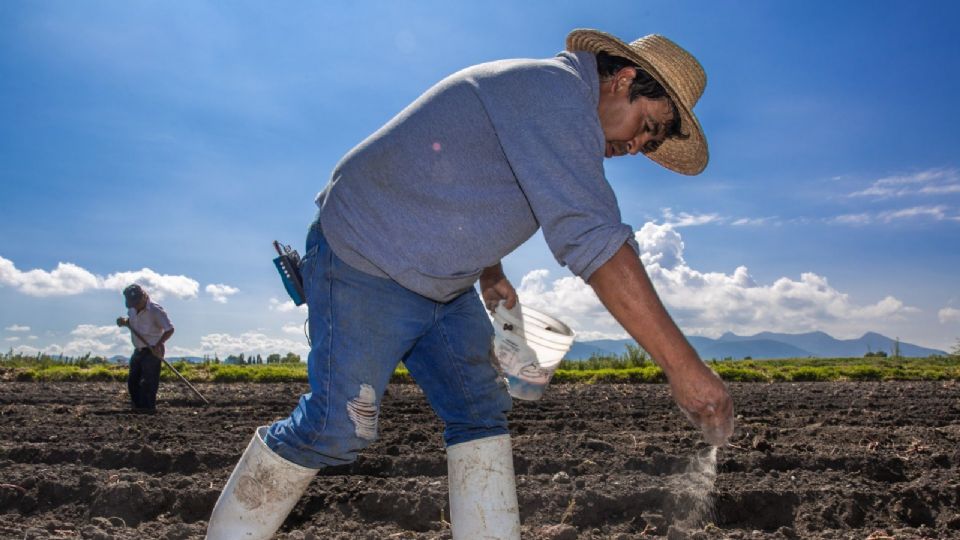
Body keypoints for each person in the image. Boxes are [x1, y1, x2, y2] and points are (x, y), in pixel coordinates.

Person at [207, 28, 734, 539]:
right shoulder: (555, 96)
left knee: (481, 414)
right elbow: (593, 240)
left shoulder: (553, 109)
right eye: (648, 125)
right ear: (623, 78)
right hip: (364, 259)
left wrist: (492, 269)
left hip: (441, 286)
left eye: (654, 141)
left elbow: (465, 178)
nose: (639, 146)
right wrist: (685, 370)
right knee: (336, 428)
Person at [116, 284, 175, 412]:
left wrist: (159, 344)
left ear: (143, 296)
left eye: (137, 303)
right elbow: (132, 321)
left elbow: (170, 329)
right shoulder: (132, 309)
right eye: (132, 304)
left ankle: (148, 410)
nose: (135, 306)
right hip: (138, 350)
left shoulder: (156, 310)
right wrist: (125, 322)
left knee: (148, 383)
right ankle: (137, 408)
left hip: (152, 350)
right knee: (133, 382)